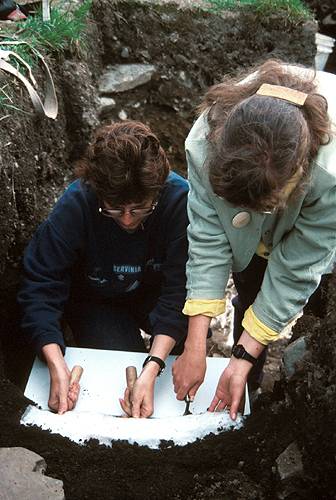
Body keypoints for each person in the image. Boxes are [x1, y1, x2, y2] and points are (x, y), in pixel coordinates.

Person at [172, 59, 336, 420]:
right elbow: (208, 236)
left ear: (297, 173)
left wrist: (242, 356)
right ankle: (246, 380)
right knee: (252, 289)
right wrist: (195, 343)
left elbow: (298, 267)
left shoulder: (329, 175)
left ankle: (259, 376)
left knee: (316, 309)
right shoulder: (206, 140)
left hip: (320, 224)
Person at [18, 120, 189, 418]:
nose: (126, 220)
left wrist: (153, 367)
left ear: (157, 193)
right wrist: (54, 361)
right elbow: (41, 281)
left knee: (173, 375)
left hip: (155, 291)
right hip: (98, 298)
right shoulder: (78, 202)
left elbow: (182, 290)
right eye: (113, 208)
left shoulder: (179, 201)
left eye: (139, 209)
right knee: (117, 368)